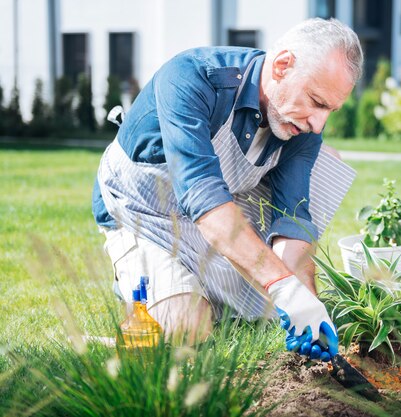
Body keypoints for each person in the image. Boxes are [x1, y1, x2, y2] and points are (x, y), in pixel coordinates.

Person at [93, 18, 363, 362]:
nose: (318, 123)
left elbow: (291, 219)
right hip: (143, 213)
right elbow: (203, 197)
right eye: (316, 102)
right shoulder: (194, 76)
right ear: (282, 66)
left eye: (329, 110)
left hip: (223, 205)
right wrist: (282, 288)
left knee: (328, 161)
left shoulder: (301, 124)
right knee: (187, 325)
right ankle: (148, 287)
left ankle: (210, 287)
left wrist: (306, 300)